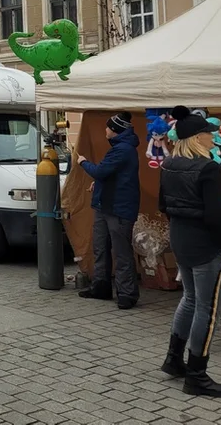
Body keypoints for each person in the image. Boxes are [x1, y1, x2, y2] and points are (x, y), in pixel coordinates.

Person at [158, 109, 221, 398]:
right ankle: (197, 375)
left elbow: (163, 204)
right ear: (197, 137)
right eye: (208, 133)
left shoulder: (169, 164)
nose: (212, 136)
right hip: (204, 244)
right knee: (207, 308)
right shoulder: (208, 168)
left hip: (181, 238)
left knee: (189, 299)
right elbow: (215, 214)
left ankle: (174, 360)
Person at [77, 111, 141, 309]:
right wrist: (98, 183)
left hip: (118, 208)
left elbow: (101, 171)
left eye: (107, 127)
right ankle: (101, 287)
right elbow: (111, 175)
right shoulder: (120, 149)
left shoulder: (122, 150)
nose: (104, 130)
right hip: (105, 205)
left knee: (121, 252)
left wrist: (82, 162)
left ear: (114, 130)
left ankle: (127, 294)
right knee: (101, 248)